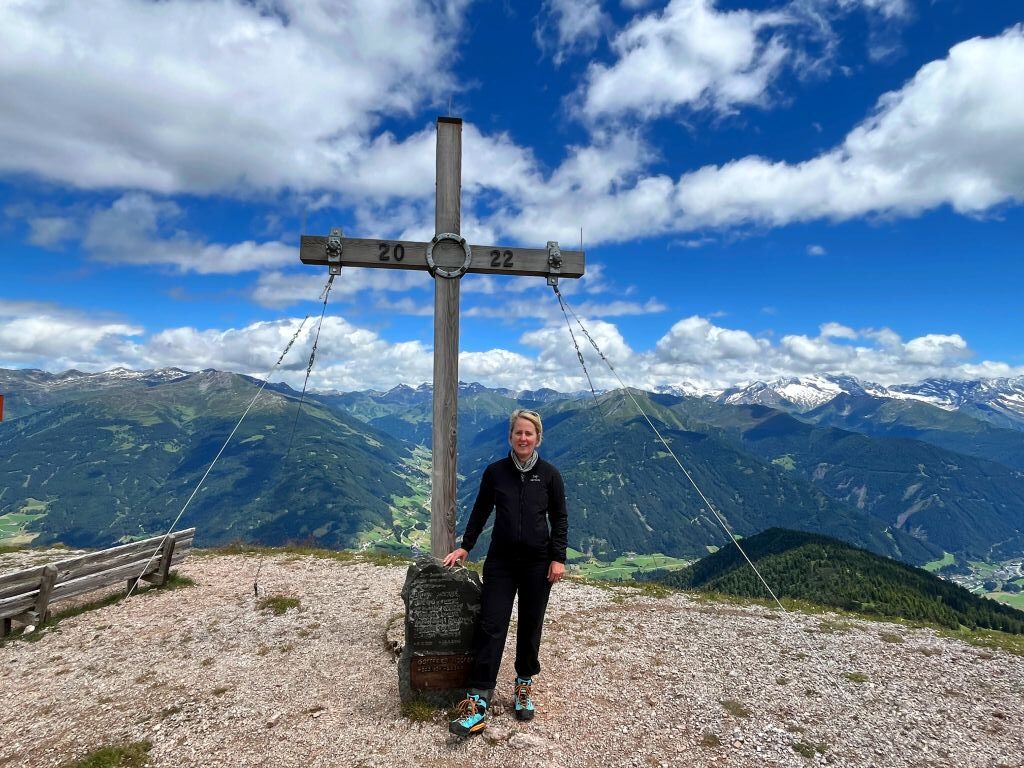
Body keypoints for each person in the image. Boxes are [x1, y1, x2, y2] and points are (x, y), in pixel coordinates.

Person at [443, 408, 568, 737]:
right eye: (518, 433)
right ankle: (479, 697)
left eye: (529, 433)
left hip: (538, 564)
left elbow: (560, 518)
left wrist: (558, 558)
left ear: (538, 437)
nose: (523, 438)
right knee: (491, 624)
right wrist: (466, 546)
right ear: (510, 437)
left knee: (530, 626)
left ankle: (524, 684)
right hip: (500, 562)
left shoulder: (550, 475)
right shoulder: (495, 472)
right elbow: (481, 510)